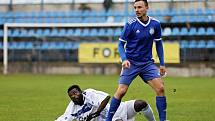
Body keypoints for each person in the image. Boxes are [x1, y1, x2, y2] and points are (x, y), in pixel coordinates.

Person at [106, 0, 167, 121]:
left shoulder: (155, 24)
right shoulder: (130, 24)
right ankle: (108, 120)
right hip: (131, 63)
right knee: (121, 91)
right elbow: (120, 44)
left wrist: (162, 64)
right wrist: (124, 59)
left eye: (139, 7)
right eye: (135, 8)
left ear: (147, 7)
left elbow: (159, 43)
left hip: (147, 63)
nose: (137, 10)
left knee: (160, 88)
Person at [55, 84, 156, 121]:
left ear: (81, 92)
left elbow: (107, 98)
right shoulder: (72, 108)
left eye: (75, 93)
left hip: (116, 109)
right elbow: (64, 118)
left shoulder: (89, 93)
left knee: (141, 103)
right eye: (71, 96)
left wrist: (96, 112)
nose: (73, 96)